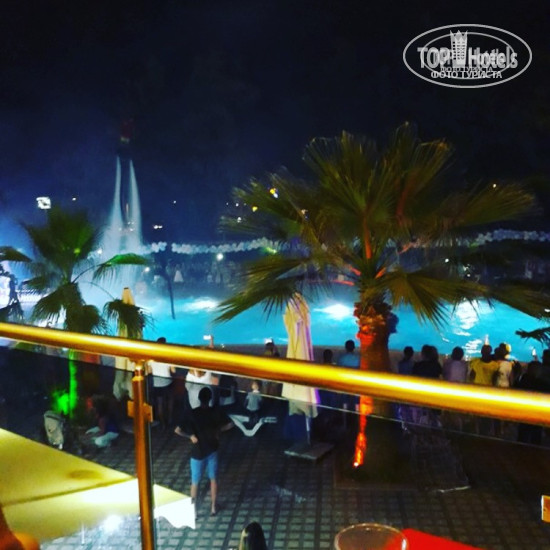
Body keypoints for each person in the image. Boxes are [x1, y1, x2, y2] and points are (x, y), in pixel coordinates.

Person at [175, 387, 233, 516]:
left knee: (195, 482)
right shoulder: (215, 412)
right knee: (213, 479)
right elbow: (230, 424)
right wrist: (218, 431)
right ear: (210, 399)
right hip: (212, 449)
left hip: (197, 453)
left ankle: (194, 511)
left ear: (199, 398)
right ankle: (213, 507)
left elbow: (177, 430)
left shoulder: (192, 413)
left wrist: (190, 436)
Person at [147, 337, 175, 429]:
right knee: (170, 400)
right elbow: (173, 371)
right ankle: (170, 418)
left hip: (157, 384)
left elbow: (149, 371)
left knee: (160, 404)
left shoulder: (151, 358)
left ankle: (163, 424)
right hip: (168, 382)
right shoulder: (168, 356)